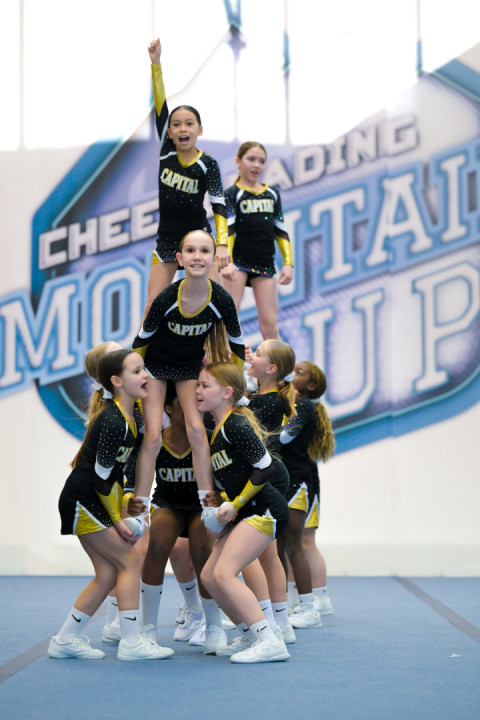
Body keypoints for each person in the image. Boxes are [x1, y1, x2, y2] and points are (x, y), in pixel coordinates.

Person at [48, 349, 174, 661]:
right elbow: (101, 477)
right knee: (129, 562)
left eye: (144, 369)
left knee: (107, 574)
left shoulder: (133, 416)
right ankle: (131, 642)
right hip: (84, 500)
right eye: (136, 371)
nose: (145, 376)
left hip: (94, 497)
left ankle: (65, 640)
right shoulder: (113, 420)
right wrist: (118, 520)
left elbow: (124, 466)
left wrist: (129, 500)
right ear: (116, 381)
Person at [132, 229, 245, 528]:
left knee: (197, 430)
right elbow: (141, 342)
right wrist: (133, 379)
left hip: (188, 369)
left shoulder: (221, 299)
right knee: (152, 436)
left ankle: (207, 503)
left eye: (205, 251)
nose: (197, 256)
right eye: (191, 251)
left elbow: (236, 344)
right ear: (179, 259)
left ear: (214, 259)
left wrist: (239, 388)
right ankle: (139, 509)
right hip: (156, 366)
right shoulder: (166, 298)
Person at [198, 362, 290, 664]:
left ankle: (269, 640)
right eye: (198, 385)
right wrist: (221, 512)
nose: (198, 391)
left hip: (265, 509)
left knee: (223, 573)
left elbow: (265, 466)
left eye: (205, 385)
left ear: (227, 392)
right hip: (244, 511)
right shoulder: (217, 430)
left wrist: (235, 505)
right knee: (209, 576)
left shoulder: (236, 425)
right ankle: (249, 634)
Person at [126, 384, 225, 652]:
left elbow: (228, 473)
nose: (193, 409)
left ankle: (213, 625)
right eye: (184, 403)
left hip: (199, 506)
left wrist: (224, 500)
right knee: (157, 545)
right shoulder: (155, 440)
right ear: (168, 408)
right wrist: (131, 498)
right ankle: (148, 628)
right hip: (168, 503)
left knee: (202, 550)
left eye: (196, 403)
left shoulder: (208, 438)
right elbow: (134, 473)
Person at [143, 37, 230, 319]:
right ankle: (140, 350)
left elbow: (219, 205)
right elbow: (160, 107)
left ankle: (217, 349)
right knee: (153, 304)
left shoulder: (207, 164)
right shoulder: (166, 151)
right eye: (176, 124)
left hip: (199, 238)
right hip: (168, 240)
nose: (182, 128)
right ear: (169, 132)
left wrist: (222, 244)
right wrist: (156, 64)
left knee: (214, 303)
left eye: (189, 124)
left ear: (199, 130)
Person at [239, 340, 298, 645]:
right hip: (269, 474)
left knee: (258, 554)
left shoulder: (268, 402)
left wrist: (238, 372)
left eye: (258, 354)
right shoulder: (260, 396)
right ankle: (280, 622)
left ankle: (272, 622)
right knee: (267, 553)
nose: (253, 356)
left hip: (268, 477)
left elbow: (238, 418)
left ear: (272, 369)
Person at [278, 361, 335, 629]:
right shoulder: (291, 404)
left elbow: (284, 437)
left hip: (300, 480)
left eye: (299, 373)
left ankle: (317, 598)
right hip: (287, 478)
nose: (292, 374)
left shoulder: (304, 407)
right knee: (288, 543)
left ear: (311, 386)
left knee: (302, 541)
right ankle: (291, 597)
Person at [221, 141, 293, 340]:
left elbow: (280, 230)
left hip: (264, 262)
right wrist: (227, 262)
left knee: (269, 323)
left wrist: (288, 263)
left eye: (261, 161)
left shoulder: (272, 194)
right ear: (238, 161)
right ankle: (217, 358)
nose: (256, 165)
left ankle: (278, 361)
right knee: (228, 320)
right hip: (238, 262)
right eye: (251, 159)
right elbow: (228, 229)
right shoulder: (232, 194)